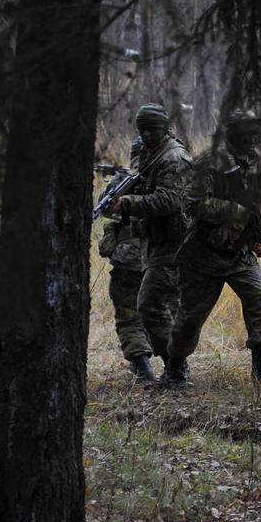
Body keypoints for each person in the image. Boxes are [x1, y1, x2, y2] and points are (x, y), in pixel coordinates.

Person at [155, 110, 261, 389]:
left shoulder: (251, 163)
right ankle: (173, 370)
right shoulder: (211, 161)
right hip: (204, 253)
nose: (252, 138)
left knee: (259, 301)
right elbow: (192, 204)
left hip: (237, 252)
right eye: (246, 132)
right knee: (190, 317)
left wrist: (252, 239)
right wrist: (233, 210)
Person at [108, 103, 192, 377]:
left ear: (165, 128)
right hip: (153, 245)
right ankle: (172, 368)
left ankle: (175, 368)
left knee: (150, 306)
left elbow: (169, 199)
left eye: (151, 129)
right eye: (141, 129)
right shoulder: (149, 158)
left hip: (171, 246)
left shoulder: (173, 158)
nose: (145, 135)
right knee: (153, 308)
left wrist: (128, 203)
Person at [97, 137, 152, 382]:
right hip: (162, 257)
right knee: (164, 313)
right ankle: (177, 368)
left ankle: (142, 368)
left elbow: (104, 207)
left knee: (129, 315)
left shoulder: (122, 181)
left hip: (129, 259)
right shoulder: (169, 179)